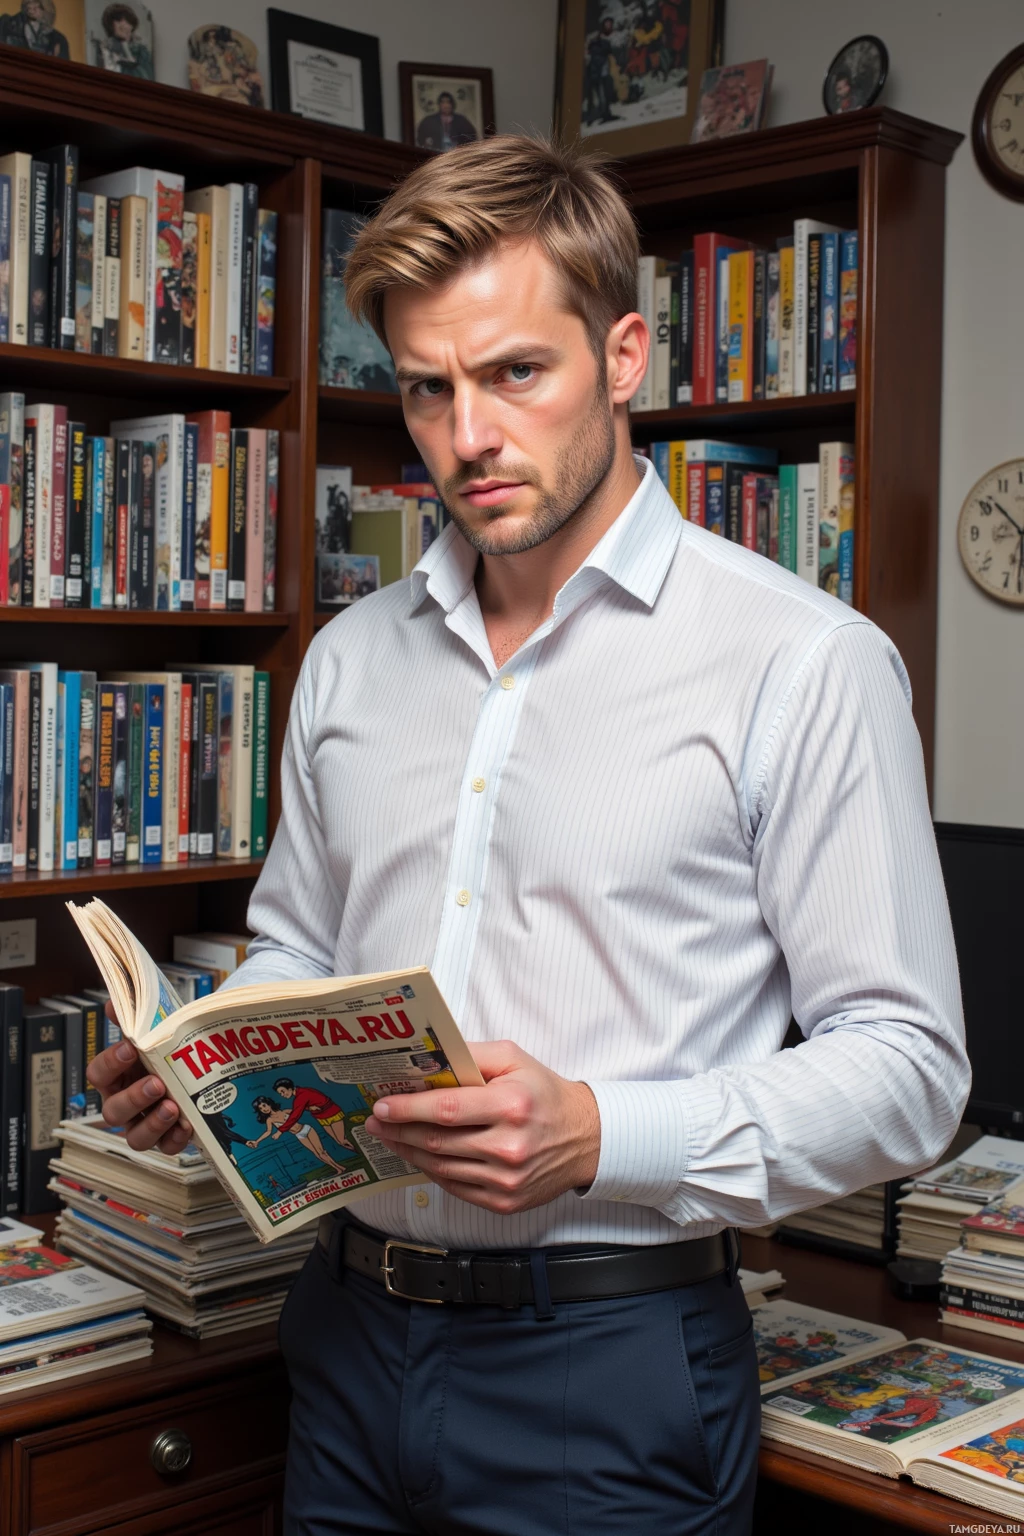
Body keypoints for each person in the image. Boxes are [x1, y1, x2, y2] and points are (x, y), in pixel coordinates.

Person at [88, 135, 969, 1534]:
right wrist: (204, 1052)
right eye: (427, 390)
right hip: (346, 1337)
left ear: (623, 357)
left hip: (609, 1370)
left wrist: (601, 1134)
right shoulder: (350, 659)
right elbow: (302, 948)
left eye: (515, 373)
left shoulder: (802, 663)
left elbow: (913, 1073)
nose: (469, 438)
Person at [246, 1094, 348, 1174]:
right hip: (299, 1135)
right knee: (317, 1154)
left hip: (307, 1129)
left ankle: (339, 1167)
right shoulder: (270, 1120)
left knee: (321, 1152)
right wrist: (257, 1141)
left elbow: (299, 1110)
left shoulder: (284, 1111)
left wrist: (311, 1107)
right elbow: (268, 1132)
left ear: (268, 1103)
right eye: (261, 1108)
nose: (264, 1108)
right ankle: (339, 1168)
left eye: (264, 1105)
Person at [272, 1077, 355, 1151]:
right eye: (280, 1094)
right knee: (339, 1142)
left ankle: (359, 1151)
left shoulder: (302, 1095)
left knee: (342, 1141)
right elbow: (310, 1104)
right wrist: (309, 1108)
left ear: (289, 1088)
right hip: (321, 1118)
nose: (282, 1095)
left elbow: (294, 1116)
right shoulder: (300, 1095)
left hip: (332, 1114)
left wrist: (280, 1131)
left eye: (283, 1091)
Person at [94, 3, 152, 78]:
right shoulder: (105, 48)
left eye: (127, 21)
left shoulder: (141, 51)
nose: (124, 25)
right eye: (119, 21)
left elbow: (147, 75)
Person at [0, 0, 68, 57]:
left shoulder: (58, 39)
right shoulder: (9, 25)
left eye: (37, 7)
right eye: (30, 6)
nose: (32, 9)